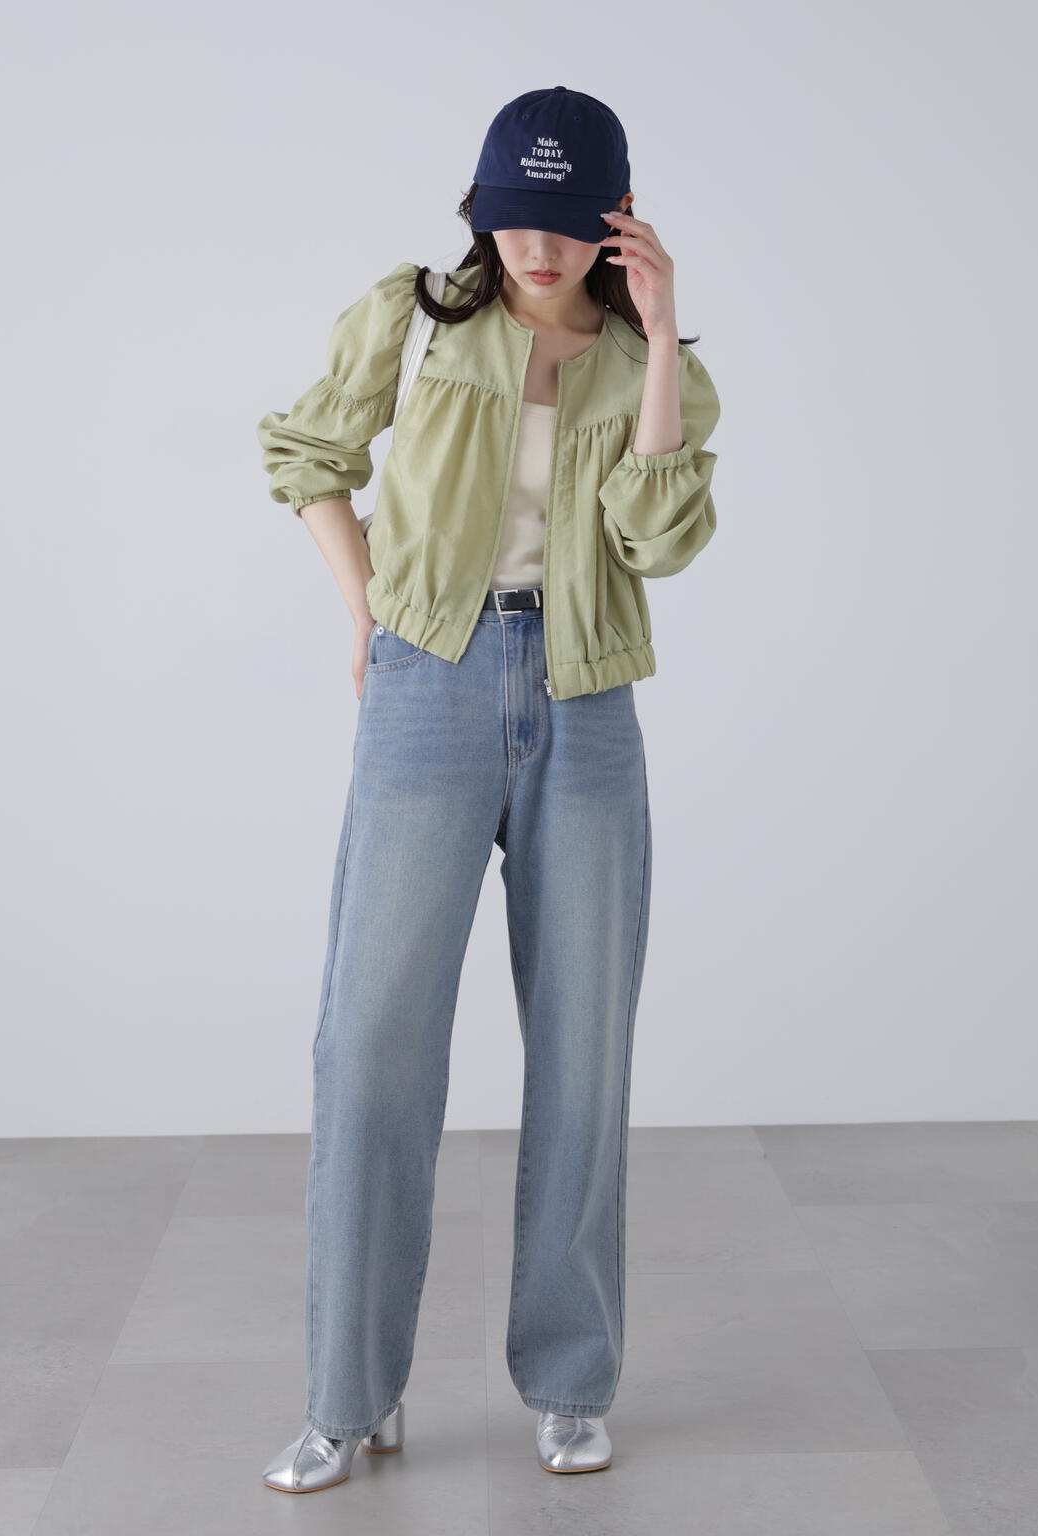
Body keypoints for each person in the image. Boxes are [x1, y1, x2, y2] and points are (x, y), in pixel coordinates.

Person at [255, 85, 721, 1493]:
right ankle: (350, 1396)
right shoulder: (413, 320)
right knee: (372, 1042)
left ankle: (571, 1381)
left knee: (584, 1048)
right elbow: (307, 457)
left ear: (617, 223)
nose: (538, 244)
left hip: (587, 700)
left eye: (569, 221)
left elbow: (659, 541)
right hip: (430, 683)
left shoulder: (651, 366)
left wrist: (658, 337)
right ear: (480, 209)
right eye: (516, 215)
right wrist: (366, 615)